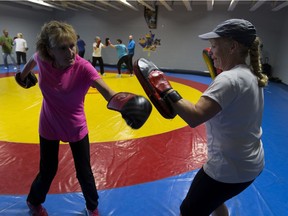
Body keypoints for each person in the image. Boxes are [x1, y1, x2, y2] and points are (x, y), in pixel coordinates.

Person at [16, 20, 151, 216]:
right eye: (63, 48)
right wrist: (22, 76)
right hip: (49, 123)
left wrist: (125, 104)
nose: (71, 52)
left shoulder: (84, 67)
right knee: (48, 170)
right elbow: (29, 66)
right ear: (49, 50)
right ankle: (33, 201)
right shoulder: (41, 58)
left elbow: (107, 91)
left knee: (84, 171)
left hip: (75, 125)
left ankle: (92, 206)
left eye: (72, 45)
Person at [136, 19, 268, 216]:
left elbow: (195, 116)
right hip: (251, 163)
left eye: (215, 45)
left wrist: (165, 88)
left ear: (232, 46)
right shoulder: (251, 74)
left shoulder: (229, 79)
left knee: (189, 210)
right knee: (215, 200)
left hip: (227, 170)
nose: (211, 51)